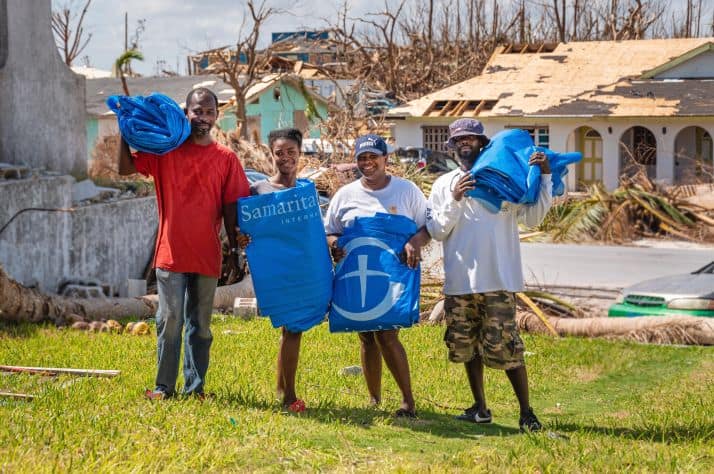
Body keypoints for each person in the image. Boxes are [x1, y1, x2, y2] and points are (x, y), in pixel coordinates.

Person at [118, 87, 250, 400]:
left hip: (206, 255)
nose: (202, 118)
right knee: (169, 319)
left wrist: (234, 250)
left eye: (208, 112)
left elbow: (233, 206)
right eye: (196, 111)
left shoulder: (226, 159)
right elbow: (125, 168)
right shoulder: (166, 152)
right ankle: (164, 387)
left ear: (217, 116)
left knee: (201, 326)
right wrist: (124, 127)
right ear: (185, 113)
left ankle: (196, 387)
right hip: (170, 254)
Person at [425, 118, 551, 432]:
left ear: (484, 144)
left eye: (472, 138)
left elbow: (533, 219)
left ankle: (526, 412)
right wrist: (455, 197)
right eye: (459, 140)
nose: (465, 143)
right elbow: (437, 230)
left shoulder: (504, 177)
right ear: (450, 146)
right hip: (460, 283)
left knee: (507, 347)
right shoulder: (443, 184)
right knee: (467, 347)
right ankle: (480, 408)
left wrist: (545, 177)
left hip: (498, 280)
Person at [324, 134, 430, 417]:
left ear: (386, 159)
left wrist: (415, 242)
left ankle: (408, 401)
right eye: (362, 158)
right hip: (357, 275)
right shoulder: (345, 196)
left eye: (373, 157)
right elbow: (330, 231)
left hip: (392, 275)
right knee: (366, 337)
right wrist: (335, 245)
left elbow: (427, 226)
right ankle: (374, 399)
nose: (367, 163)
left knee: (387, 334)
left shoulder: (407, 191)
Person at [240, 127, 310, 413]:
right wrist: (243, 237)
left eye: (291, 152)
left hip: (301, 267)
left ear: (299, 153)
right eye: (279, 153)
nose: (285, 158)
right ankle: (288, 394)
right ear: (271, 155)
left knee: (293, 329)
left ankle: (284, 388)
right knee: (290, 327)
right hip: (274, 269)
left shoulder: (306, 190)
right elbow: (245, 227)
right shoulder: (258, 191)